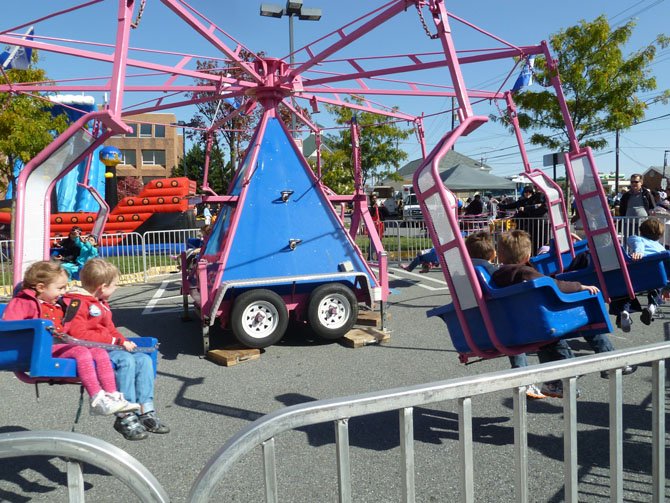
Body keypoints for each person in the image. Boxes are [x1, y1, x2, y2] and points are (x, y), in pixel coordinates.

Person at [492, 230, 635, 395]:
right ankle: (605, 362)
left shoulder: (496, 277)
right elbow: (555, 285)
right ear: (527, 256)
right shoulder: (526, 273)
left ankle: (554, 382)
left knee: (548, 342)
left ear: (500, 256)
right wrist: (580, 286)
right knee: (587, 318)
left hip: (522, 324)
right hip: (544, 321)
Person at [2, 261, 137, 416]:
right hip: (37, 347)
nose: (63, 292)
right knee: (80, 352)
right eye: (60, 288)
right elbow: (10, 326)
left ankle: (112, 395)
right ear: (40, 288)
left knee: (99, 352)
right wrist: (34, 327)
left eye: (65, 287)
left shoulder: (56, 304)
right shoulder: (23, 302)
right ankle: (96, 398)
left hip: (56, 345)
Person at [65, 259, 170, 441]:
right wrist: (114, 340)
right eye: (114, 285)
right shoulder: (78, 303)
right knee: (126, 360)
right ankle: (125, 412)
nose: (115, 289)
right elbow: (77, 332)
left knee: (143, 359)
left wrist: (121, 339)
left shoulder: (101, 302)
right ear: (102, 287)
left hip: (108, 347)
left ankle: (146, 409)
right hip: (94, 352)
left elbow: (110, 329)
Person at [464, 231, 545, 399]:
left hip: (476, 320)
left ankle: (524, 380)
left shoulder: (466, 270)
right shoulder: (491, 270)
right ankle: (525, 380)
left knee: (514, 343)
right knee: (523, 338)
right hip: (500, 317)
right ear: (493, 254)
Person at [627, 217, 667, 325]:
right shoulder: (661, 248)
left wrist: (639, 253)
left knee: (626, 289)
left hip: (637, 275)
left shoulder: (635, 238)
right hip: (655, 276)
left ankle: (625, 310)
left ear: (641, 230)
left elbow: (637, 244)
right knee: (657, 287)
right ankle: (652, 307)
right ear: (659, 235)